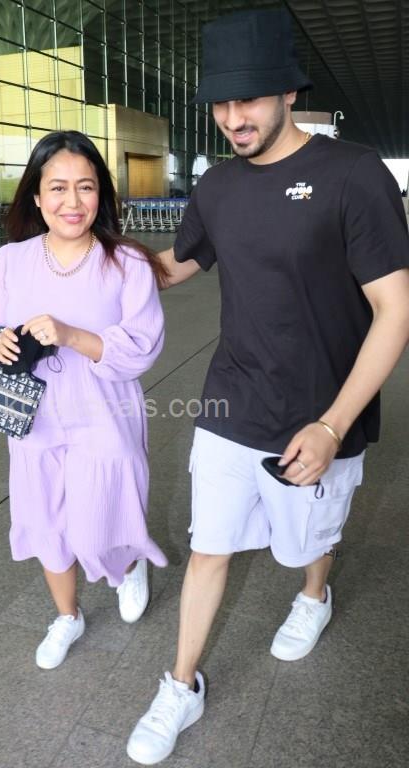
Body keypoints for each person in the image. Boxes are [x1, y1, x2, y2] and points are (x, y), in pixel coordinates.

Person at [127, 8, 409, 765]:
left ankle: (315, 593)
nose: (232, 118)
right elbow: (177, 265)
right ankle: (180, 685)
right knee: (209, 546)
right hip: (232, 399)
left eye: (248, 99)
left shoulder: (354, 174)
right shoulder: (217, 185)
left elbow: (396, 310)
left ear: (288, 91)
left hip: (322, 410)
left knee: (309, 542)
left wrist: (333, 424)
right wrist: (85, 253)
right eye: (220, 103)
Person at [0, 130, 168, 670]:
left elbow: (143, 344)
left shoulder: (126, 262)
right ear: (36, 197)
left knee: (103, 513)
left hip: (103, 410)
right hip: (32, 414)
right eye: (57, 188)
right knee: (45, 520)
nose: (72, 201)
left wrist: (71, 334)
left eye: (85, 187)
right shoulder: (11, 260)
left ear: (101, 194)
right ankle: (67, 615)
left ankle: (128, 565)